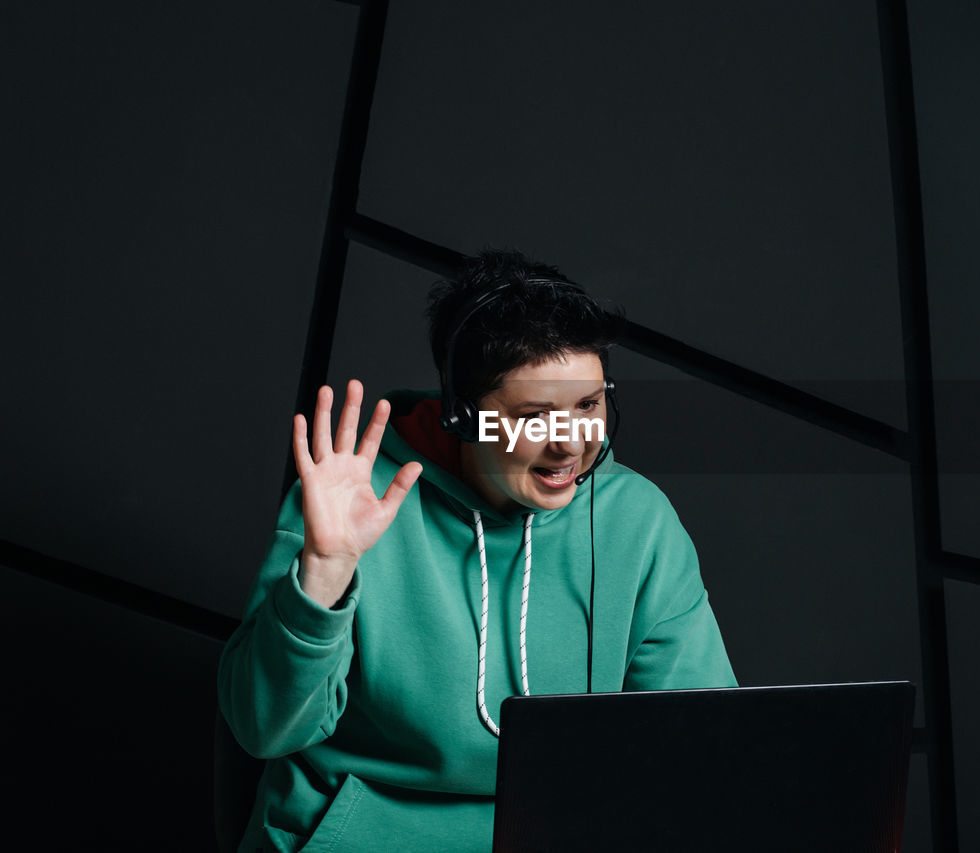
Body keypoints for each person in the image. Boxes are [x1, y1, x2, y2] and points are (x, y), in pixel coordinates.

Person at [217, 249, 736, 852]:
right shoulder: (350, 502)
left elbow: (703, 745)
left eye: (589, 406)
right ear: (465, 415)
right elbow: (264, 728)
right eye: (534, 417)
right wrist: (325, 572)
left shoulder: (636, 522)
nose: (570, 445)